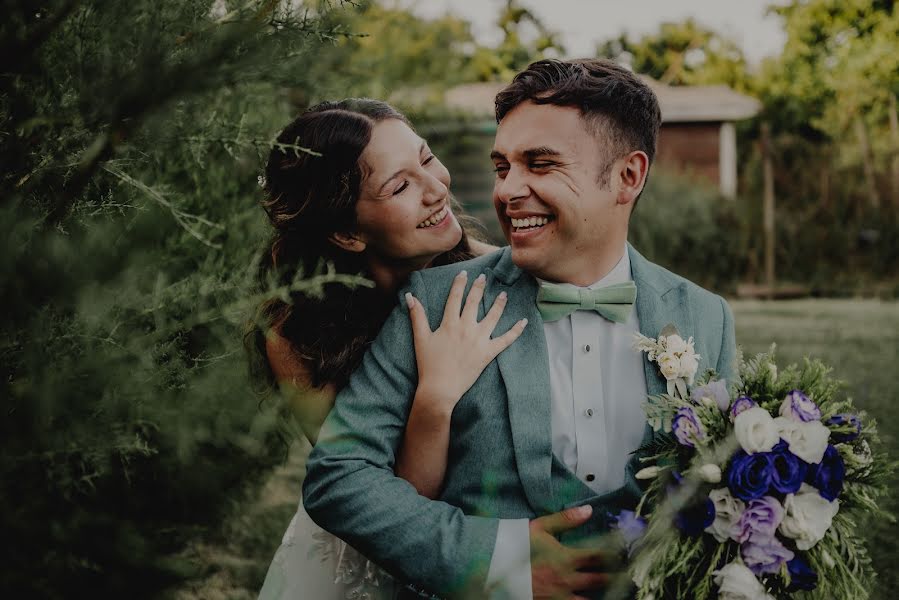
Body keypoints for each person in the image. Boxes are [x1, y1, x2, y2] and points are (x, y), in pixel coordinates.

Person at [303, 58, 738, 599]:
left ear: (628, 177)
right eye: (503, 166)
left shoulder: (705, 316)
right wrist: (496, 562)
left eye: (540, 163)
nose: (508, 190)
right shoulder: (433, 302)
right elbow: (339, 477)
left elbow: (725, 487)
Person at [252, 98, 526, 599]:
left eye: (425, 159)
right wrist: (436, 394)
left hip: (476, 534)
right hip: (376, 555)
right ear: (347, 232)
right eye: (400, 186)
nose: (436, 187)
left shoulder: (495, 277)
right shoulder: (296, 335)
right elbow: (382, 502)